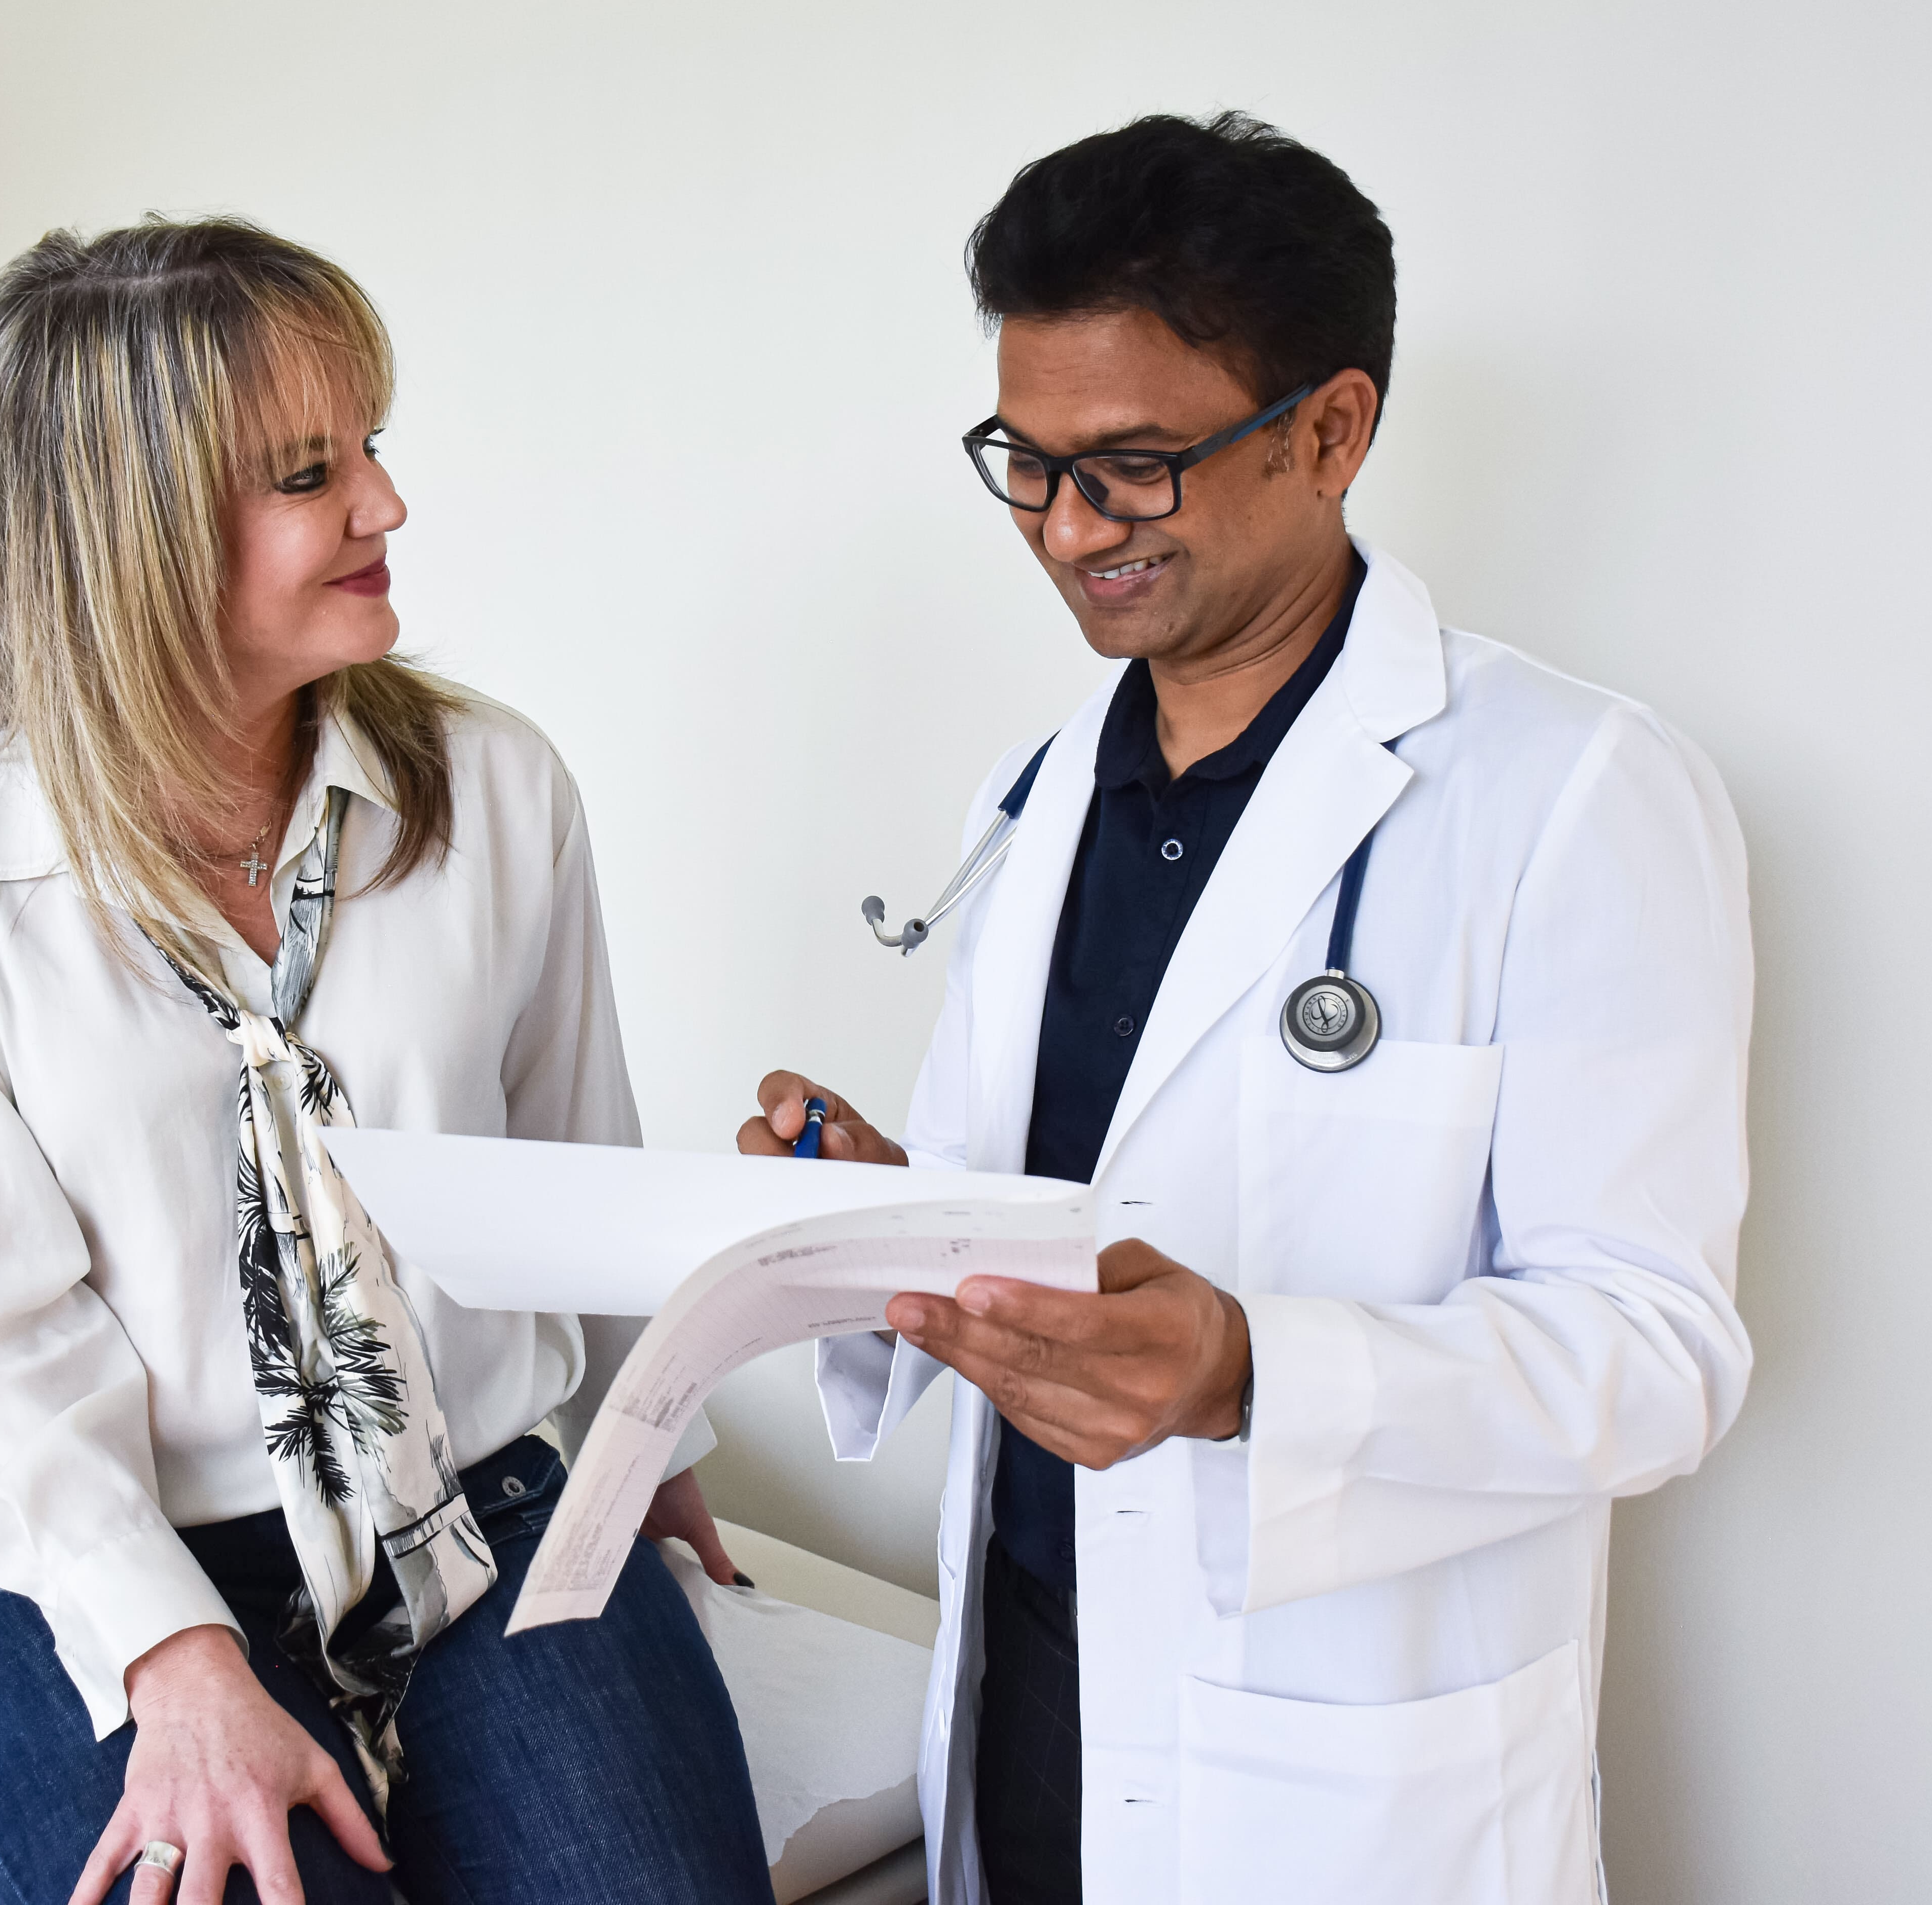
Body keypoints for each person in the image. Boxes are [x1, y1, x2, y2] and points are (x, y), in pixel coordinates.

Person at [739, 113, 1754, 1903]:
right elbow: (1055, 1216)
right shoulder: (1034, 792)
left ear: (1331, 431)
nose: (1066, 530)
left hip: (1336, 1764)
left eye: (1132, 465)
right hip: (1034, 1694)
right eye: (1027, 464)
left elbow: (1657, 1355)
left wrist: (1250, 1372)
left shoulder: (1571, 791)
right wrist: (875, 1210)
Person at [0, 218, 772, 1905]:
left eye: (374, 447)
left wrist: (653, 1451)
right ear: (135, 528)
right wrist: (173, 1661)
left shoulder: (496, 788)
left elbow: (576, 1164)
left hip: (487, 1524)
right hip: (112, 1576)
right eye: (311, 473)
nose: (387, 506)